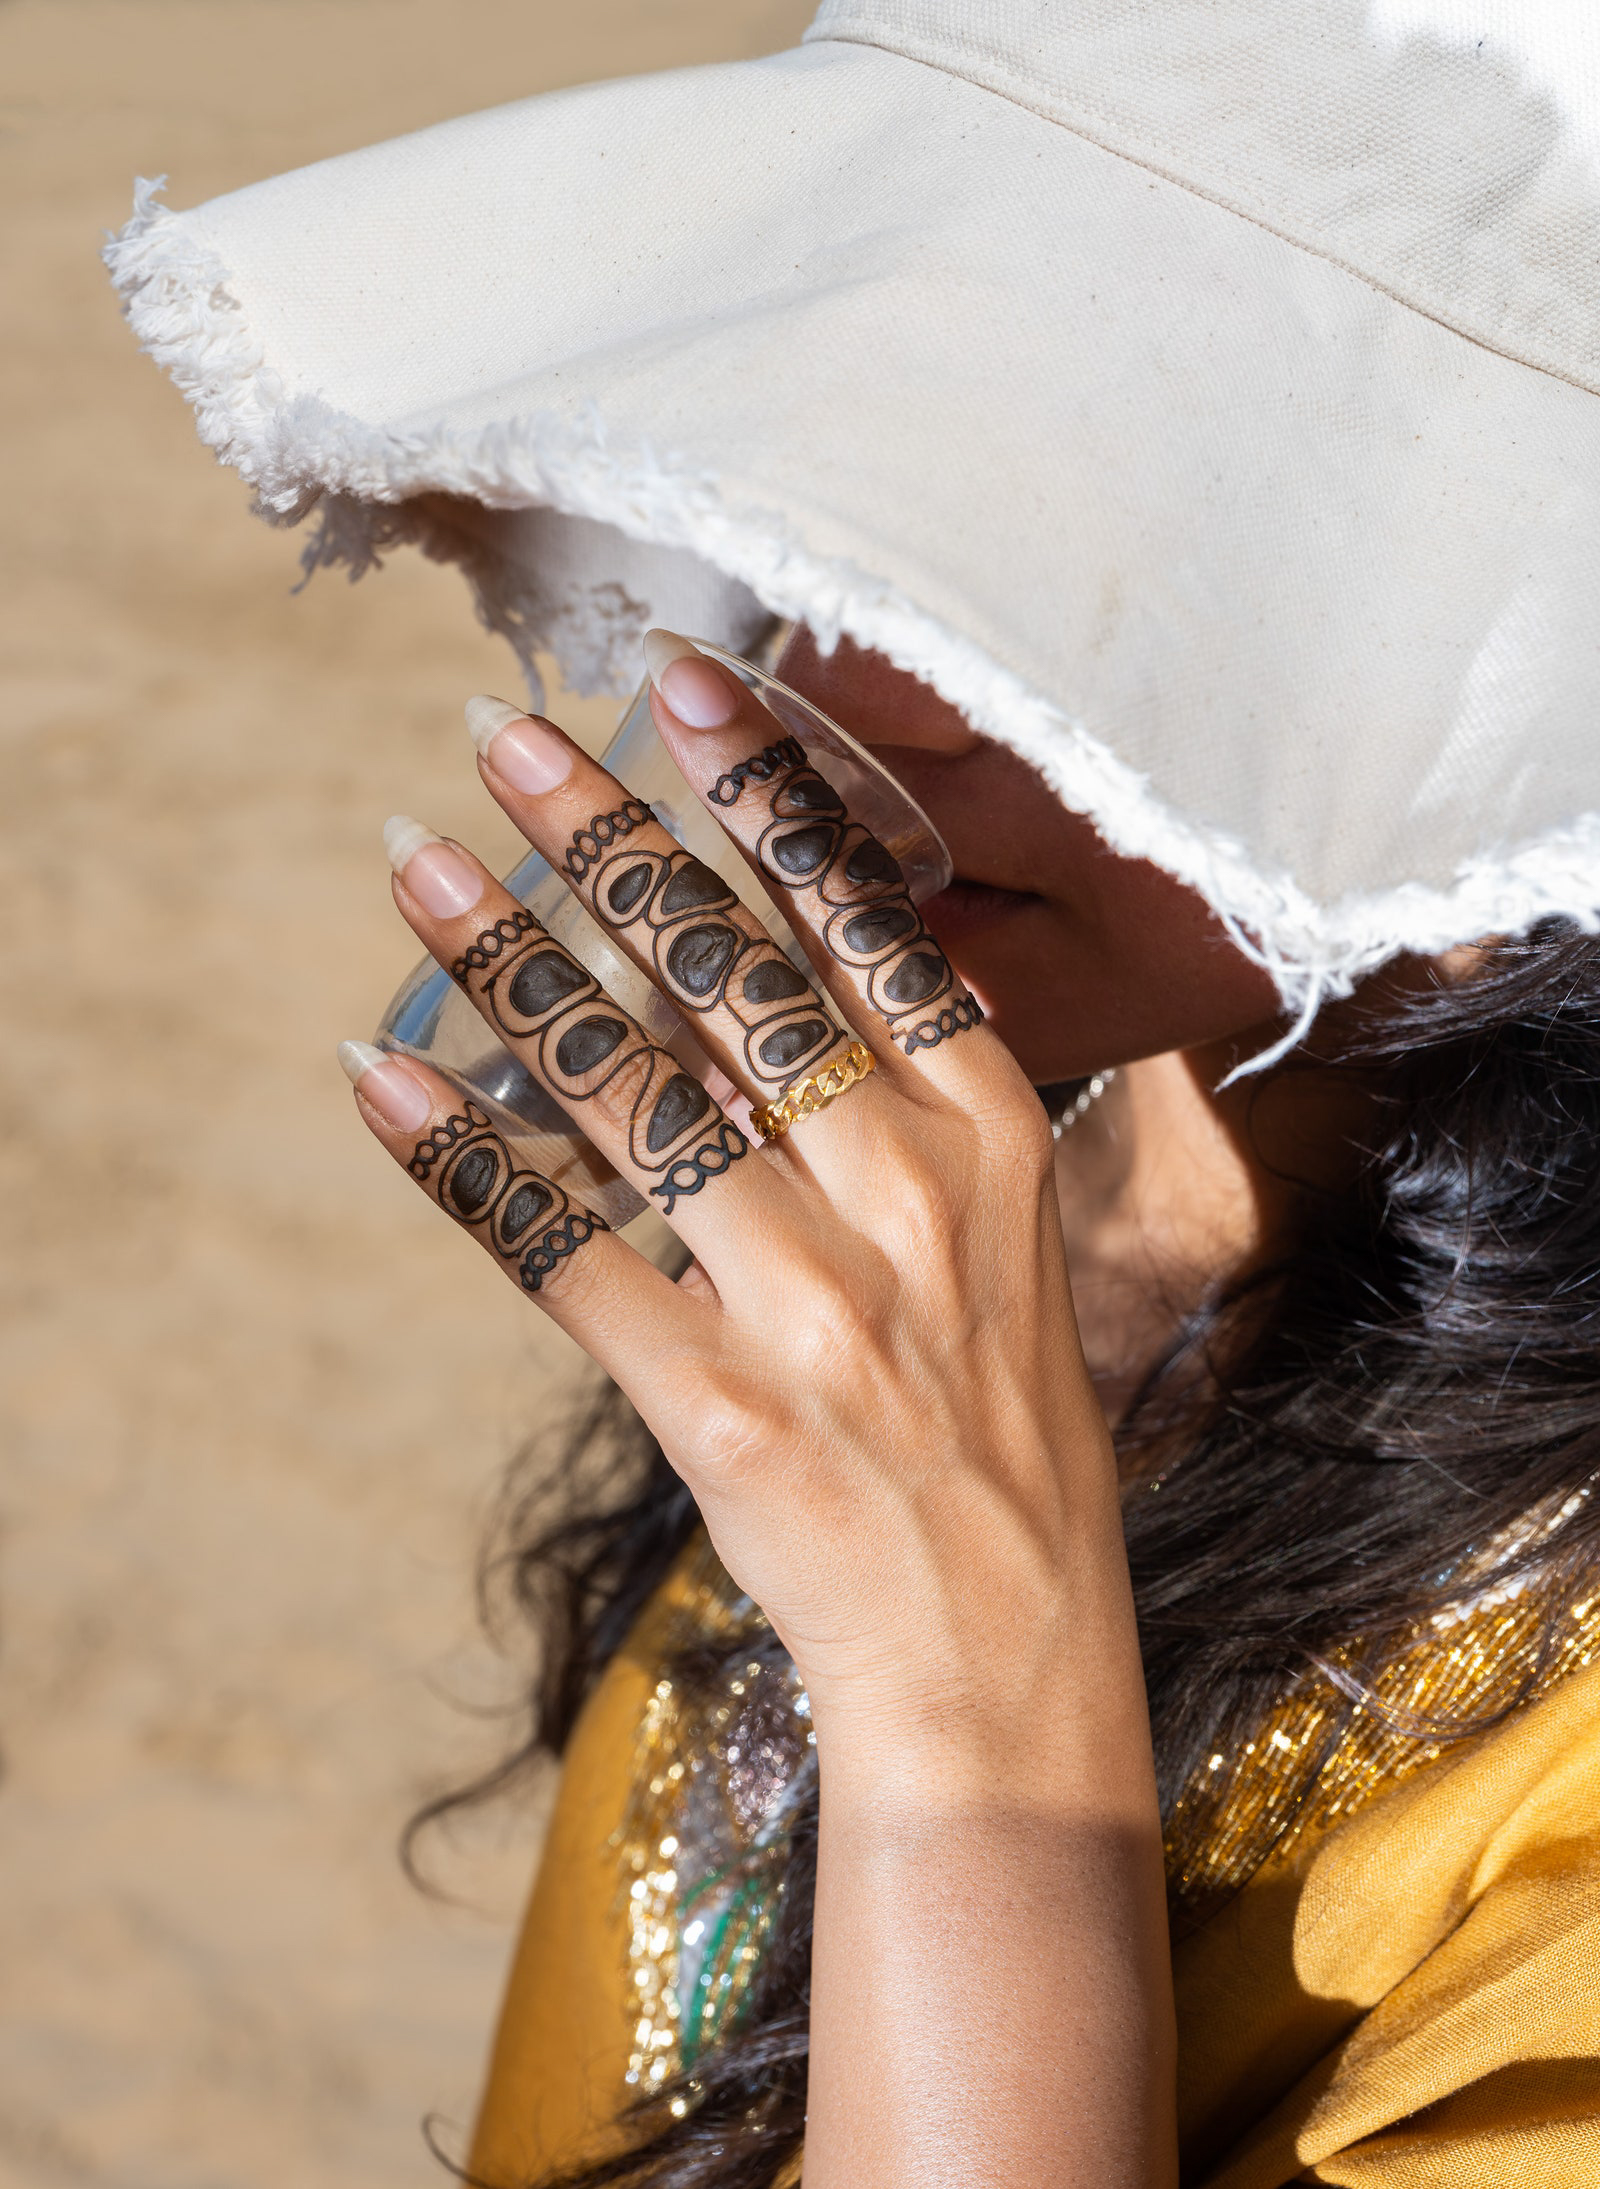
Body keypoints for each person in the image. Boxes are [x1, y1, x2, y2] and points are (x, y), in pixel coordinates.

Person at [106, 3, 1600, 2182]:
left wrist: (971, 1707)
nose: (856, 681)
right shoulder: (973, 1205)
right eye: (887, 465)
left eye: (1144, 552)